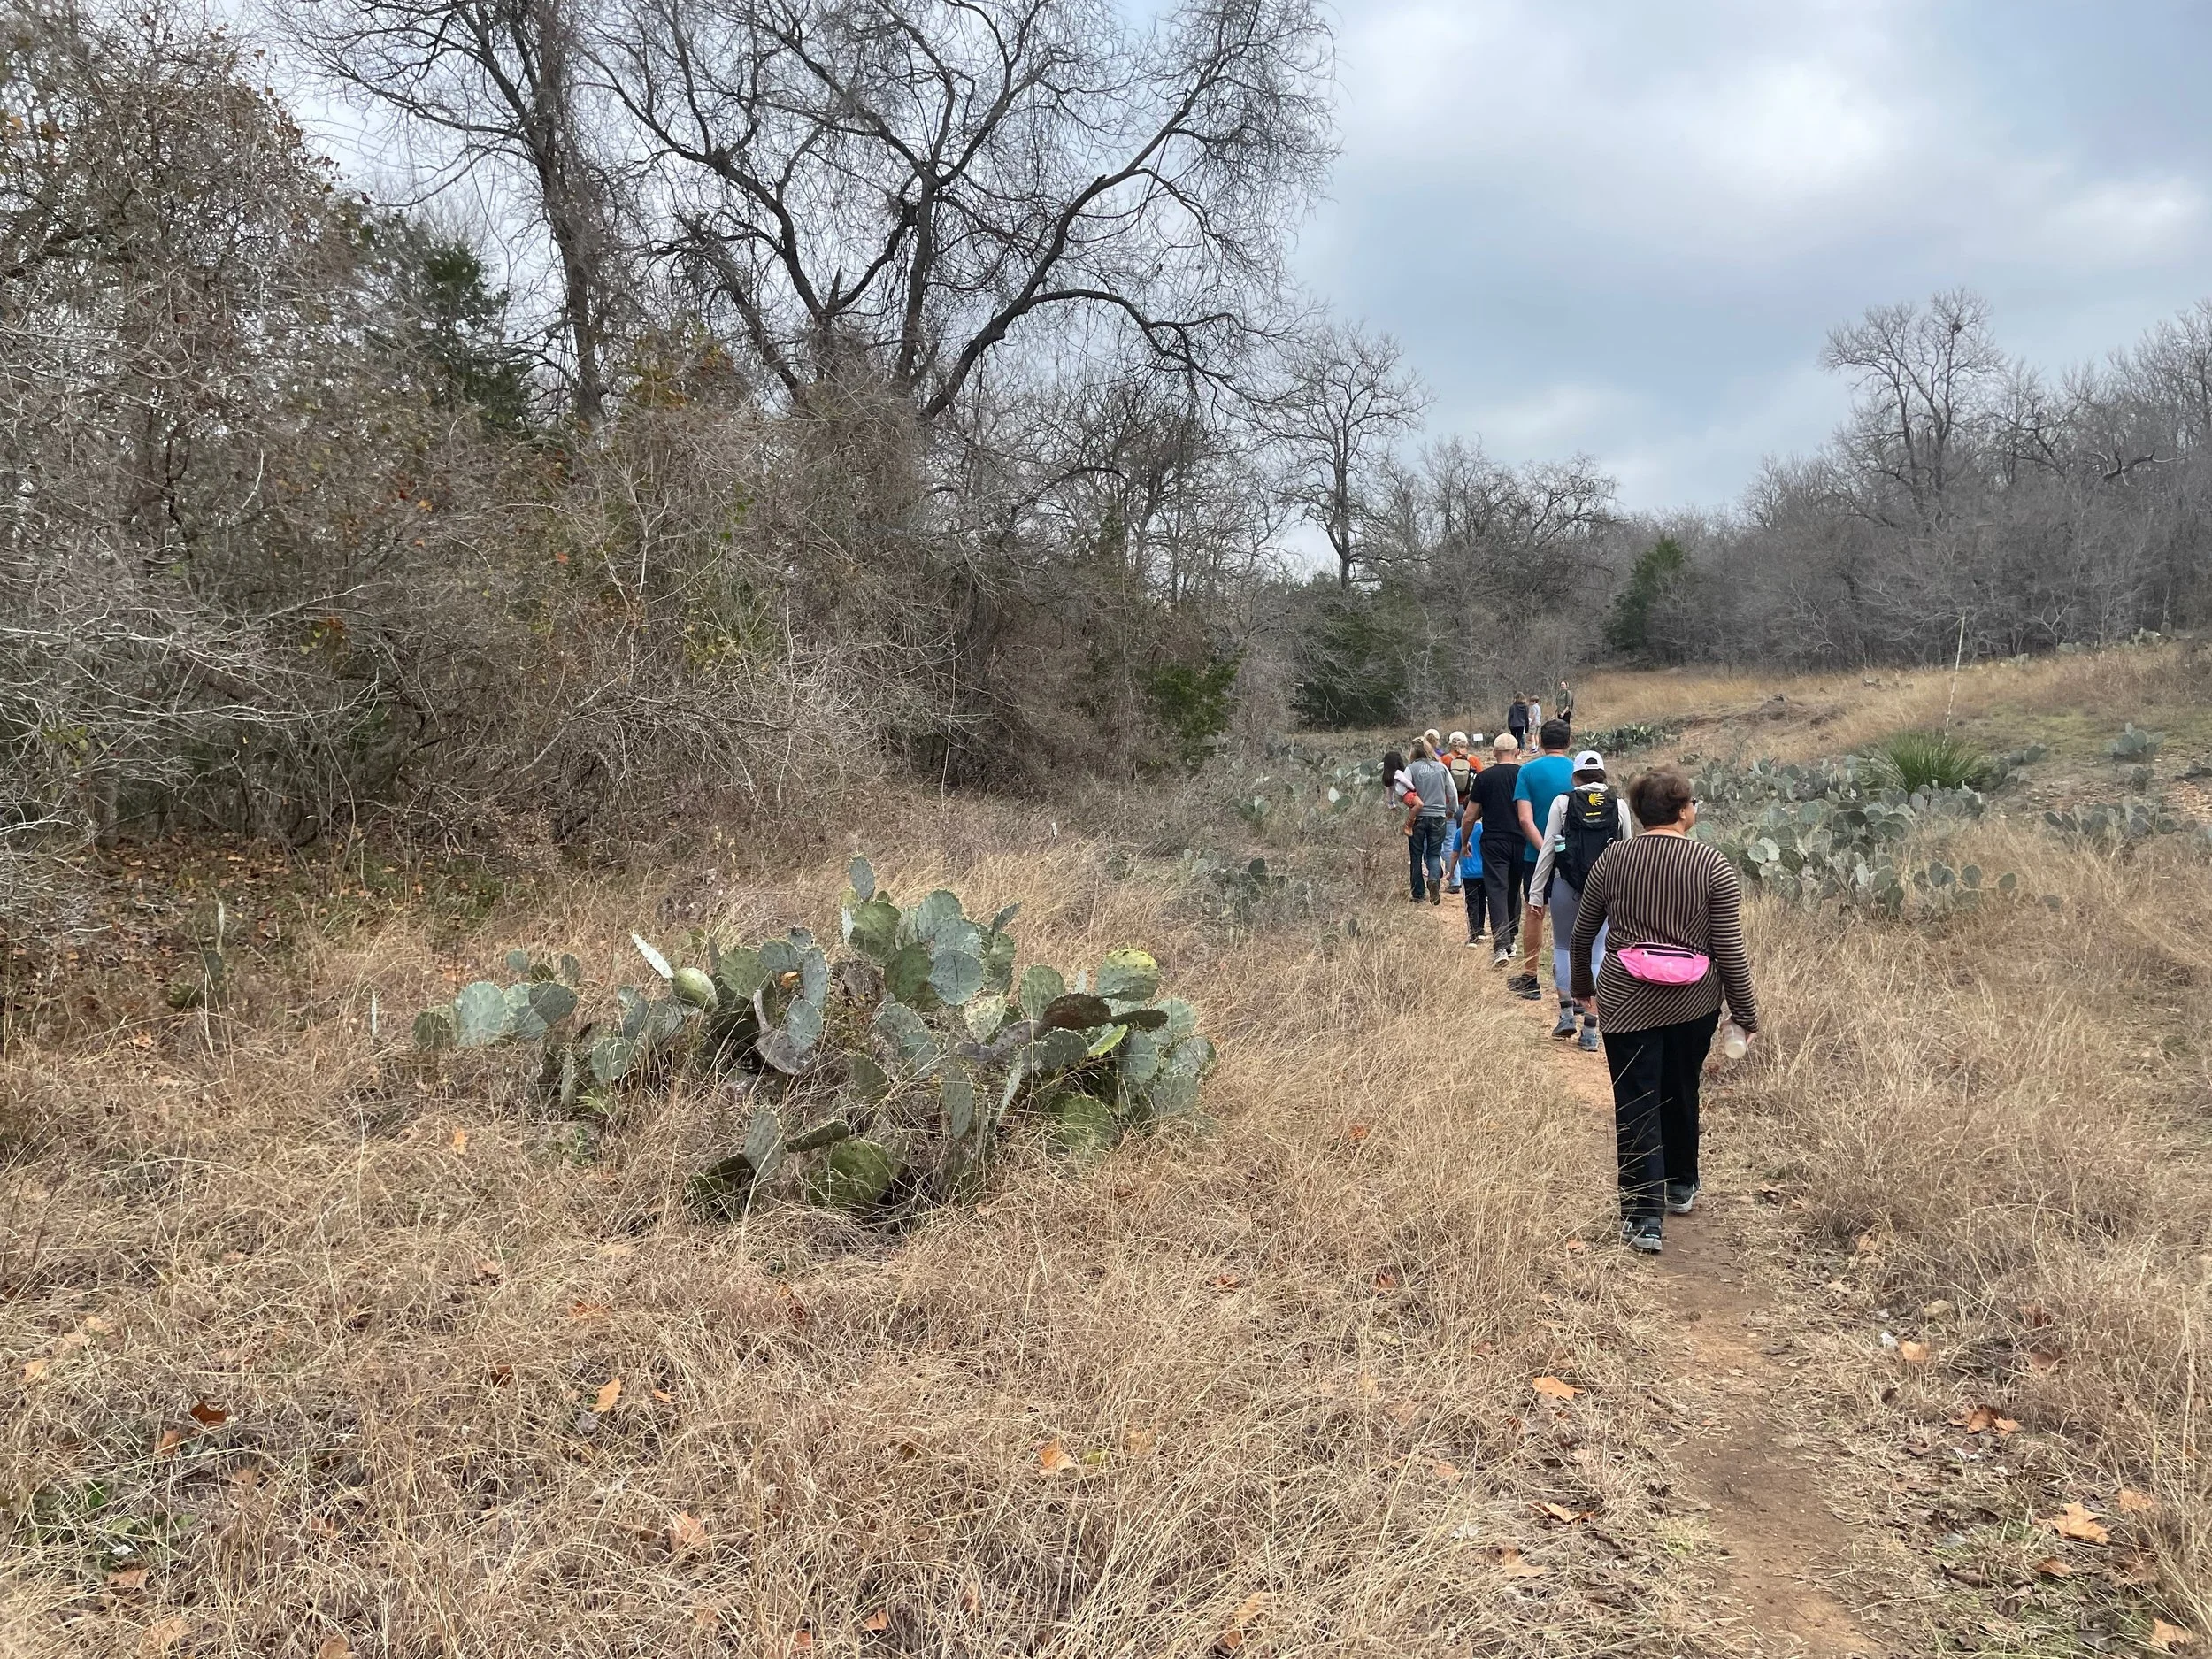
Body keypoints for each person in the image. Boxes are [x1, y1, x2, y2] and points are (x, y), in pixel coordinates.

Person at [1571, 765, 1759, 1256]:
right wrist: (1745, 1015)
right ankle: (1680, 1185)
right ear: (1682, 810)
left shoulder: (1613, 859)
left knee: (1636, 1099)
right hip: (1693, 1002)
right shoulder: (1712, 864)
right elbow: (1729, 950)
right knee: (1680, 1088)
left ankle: (1641, 1217)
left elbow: (1582, 932)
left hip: (1625, 1000)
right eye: (1692, 802)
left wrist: (1581, 987)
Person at [1529, 749, 1633, 1050]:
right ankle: (1590, 1030)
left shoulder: (1563, 802)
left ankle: (1565, 1014)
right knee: (1597, 952)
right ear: (1602, 774)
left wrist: (1537, 892)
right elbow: (1626, 852)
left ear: (1575, 775)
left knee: (1563, 946)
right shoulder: (1620, 805)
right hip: (1604, 891)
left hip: (1566, 885)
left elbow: (1549, 848)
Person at [1507, 719, 1576, 1001]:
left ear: (1542, 743)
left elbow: (1525, 818)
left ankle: (1530, 977)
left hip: (1536, 856)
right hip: (1578, 858)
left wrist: (1547, 850)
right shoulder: (1579, 769)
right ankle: (1578, 982)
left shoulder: (1528, 771)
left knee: (1535, 911)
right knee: (1578, 918)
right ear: (1569, 742)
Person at [1461, 735, 1526, 962]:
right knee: (1514, 888)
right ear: (1517, 752)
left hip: (1494, 841)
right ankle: (1512, 940)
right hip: (1522, 839)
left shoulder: (1484, 777)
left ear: (1494, 753)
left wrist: (1464, 841)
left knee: (1496, 890)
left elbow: (1470, 816)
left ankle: (1501, 946)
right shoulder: (1524, 775)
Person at [1402, 739, 1459, 905]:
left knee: (1416, 855)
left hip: (1418, 817)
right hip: (1438, 817)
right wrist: (1451, 810)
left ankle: (1418, 893)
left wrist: (1407, 800)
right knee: (1433, 853)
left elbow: (1401, 790)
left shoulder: (1411, 768)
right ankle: (1434, 879)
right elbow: (1453, 792)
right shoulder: (1441, 768)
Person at [1439, 732, 1480, 892]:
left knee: (1449, 843)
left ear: (1450, 744)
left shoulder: (1445, 760)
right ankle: (1472, 874)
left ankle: (1455, 880)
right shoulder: (1474, 760)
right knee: (1471, 839)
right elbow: (1480, 783)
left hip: (1450, 807)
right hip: (1471, 806)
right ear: (1466, 743)